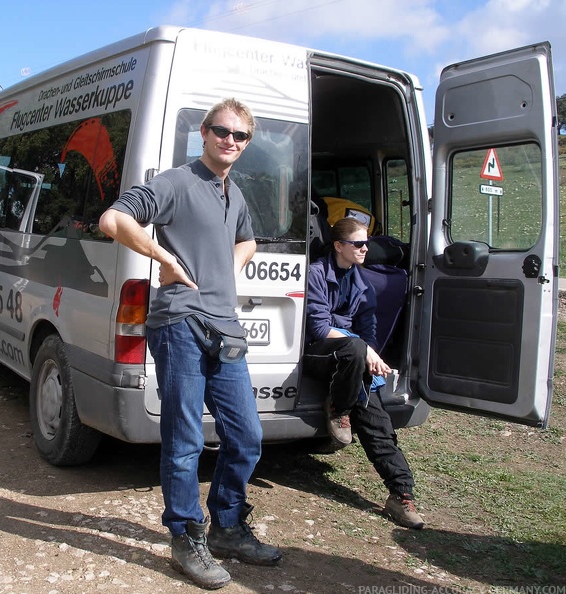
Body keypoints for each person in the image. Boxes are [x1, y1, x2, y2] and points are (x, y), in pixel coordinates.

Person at [99, 98, 281, 589]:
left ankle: (226, 527)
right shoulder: (178, 182)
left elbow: (249, 241)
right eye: (222, 131)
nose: (231, 141)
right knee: (185, 440)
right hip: (179, 323)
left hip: (226, 328)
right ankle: (185, 536)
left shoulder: (234, 194)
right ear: (204, 132)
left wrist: (227, 269)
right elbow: (113, 221)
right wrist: (165, 258)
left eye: (241, 136)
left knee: (246, 437)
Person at [302, 217, 425, 530]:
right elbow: (317, 328)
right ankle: (338, 408)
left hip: (353, 361)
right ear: (339, 245)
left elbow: (368, 329)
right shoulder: (317, 273)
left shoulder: (362, 283)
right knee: (356, 351)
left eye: (366, 243)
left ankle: (401, 494)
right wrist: (364, 350)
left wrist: (369, 356)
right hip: (319, 352)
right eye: (358, 243)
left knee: (379, 425)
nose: (365, 248)